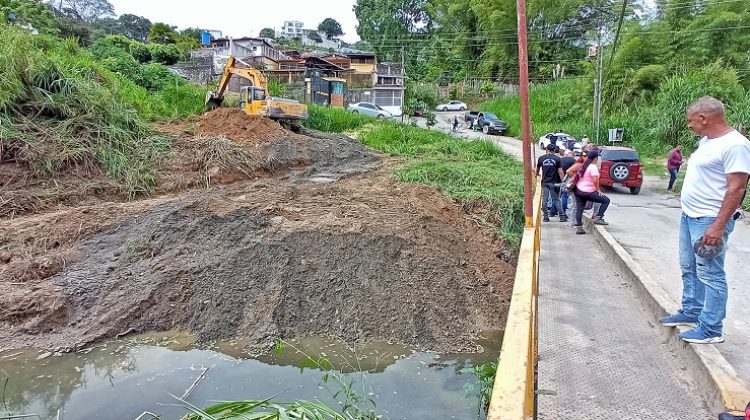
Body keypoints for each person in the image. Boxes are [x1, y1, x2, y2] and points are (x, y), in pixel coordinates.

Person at [659, 96, 750, 344]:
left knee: (710, 273)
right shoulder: (706, 141)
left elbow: (737, 188)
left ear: (704, 118)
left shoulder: (735, 145)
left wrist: (718, 225)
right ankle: (691, 311)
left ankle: (711, 328)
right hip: (690, 216)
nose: (688, 125)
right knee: (689, 267)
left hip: (709, 219)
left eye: (690, 120)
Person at [570, 150, 610, 234]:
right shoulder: (593, 167)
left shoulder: (582, 165)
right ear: (596, 158)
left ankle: (579, 228)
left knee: (579, 208)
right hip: (589, 192)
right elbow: (595, 180)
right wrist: (598, 190)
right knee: (606, 200)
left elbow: (572, 172)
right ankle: (598, 217)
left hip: (578, 191)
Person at [536, 143, 567, 222]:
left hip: (544, 182)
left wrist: (537, 175)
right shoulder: (557, 159)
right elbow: (560, 171)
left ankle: (545, 217)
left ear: (546, 149)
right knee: (556, 199)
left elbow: (538, 168)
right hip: (554, 182)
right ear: (554, 150)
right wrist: (563, 181)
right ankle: (562, 216)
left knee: (545, 199)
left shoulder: (541, 158)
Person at [560, 150, 577, 218]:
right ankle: (566, 213)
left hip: (561, 179)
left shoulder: (561, 159)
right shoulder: (573, 161)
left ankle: (561, 212)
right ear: (573, 155)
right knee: (569, 197)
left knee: (562, 196)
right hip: (570, 180)